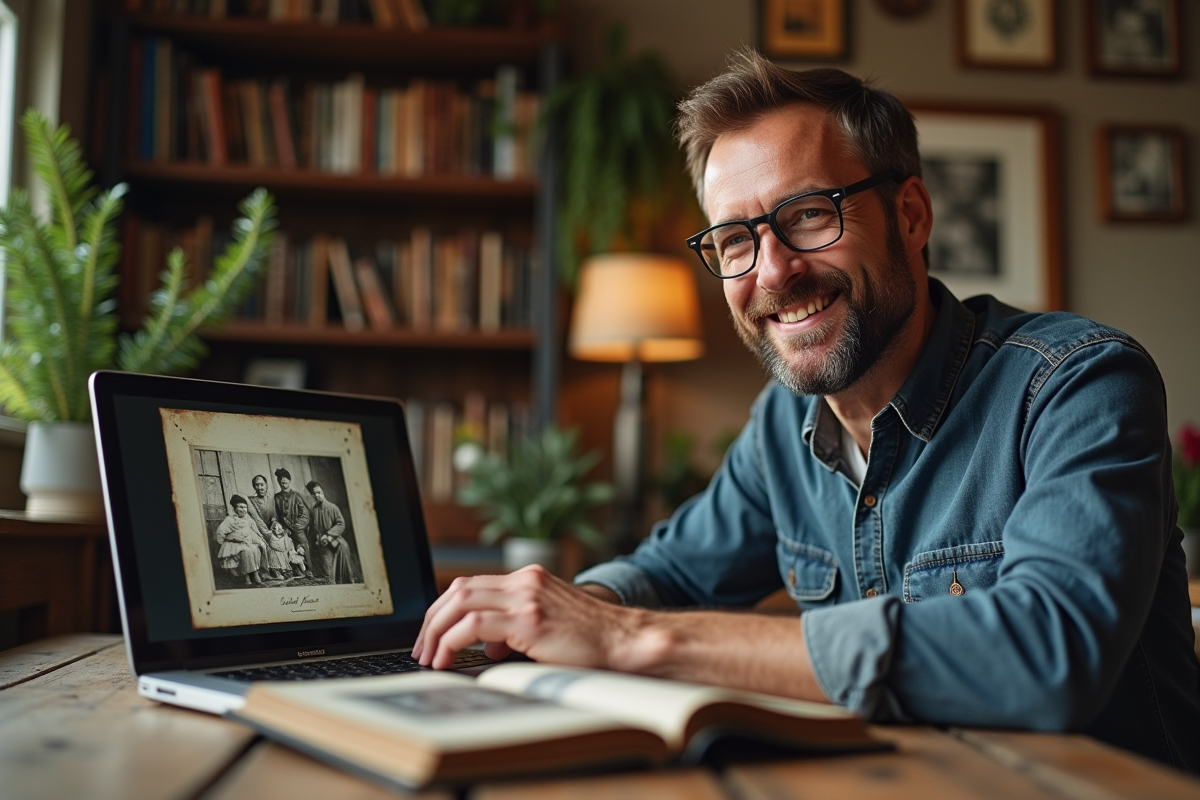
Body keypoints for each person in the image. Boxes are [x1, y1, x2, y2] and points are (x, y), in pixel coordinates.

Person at [413, 51, 1200, 772]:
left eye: (810, 215)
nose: (774, 272)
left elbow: (1049, 655)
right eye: (734, 241)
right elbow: (674, 571)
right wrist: (548, 614)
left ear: (913, 216)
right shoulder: (780, 428)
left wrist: (629, 638)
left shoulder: (1077, 383)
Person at [306, 480, 362, 585]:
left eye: (319, 492)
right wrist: (318, 538)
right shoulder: (314, 510)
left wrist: (329, 536)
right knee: (327, 574)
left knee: (340, 573)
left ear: (322, 491)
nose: (317, 495)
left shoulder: (332, 507)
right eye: (314, 494)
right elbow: (314, 528)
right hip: (323, 545)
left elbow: (341, 524)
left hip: (336, 542)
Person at [214, 495, 264, 586]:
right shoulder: (229, 520)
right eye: (240, 507)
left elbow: (253, 532)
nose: (243, 509)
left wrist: (258, 540)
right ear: (235, 508)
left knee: (255, 549)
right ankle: (247, 576)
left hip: (246, 542)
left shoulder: (248, 519)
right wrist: (230, 538)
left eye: (245, 507)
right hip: (233, 544)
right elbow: (220, 533)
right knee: (246, 552)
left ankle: (255, 572)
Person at [273, 468, 312, 578]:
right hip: (284, 529)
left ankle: (308, 569)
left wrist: (296, 527)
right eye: (280, 479)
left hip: (298, 528)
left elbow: (304, 514)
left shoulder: (297, 496)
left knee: (303, 542)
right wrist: (282, 528)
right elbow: (276, 515)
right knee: (284, 544)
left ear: (290, 481)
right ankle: (293, 570)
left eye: (285, 479)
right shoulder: (276, 498)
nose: (283, 480)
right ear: (278, 482)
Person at [246, 474, 278, 538]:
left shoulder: (271, 499)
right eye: (257, 485)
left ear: (266, 485)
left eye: (262, 485)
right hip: (258, 533)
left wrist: (274, 524)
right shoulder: (250, 501)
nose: (260, 488)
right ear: (254, 487)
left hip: (272, 531)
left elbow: (274, 516)